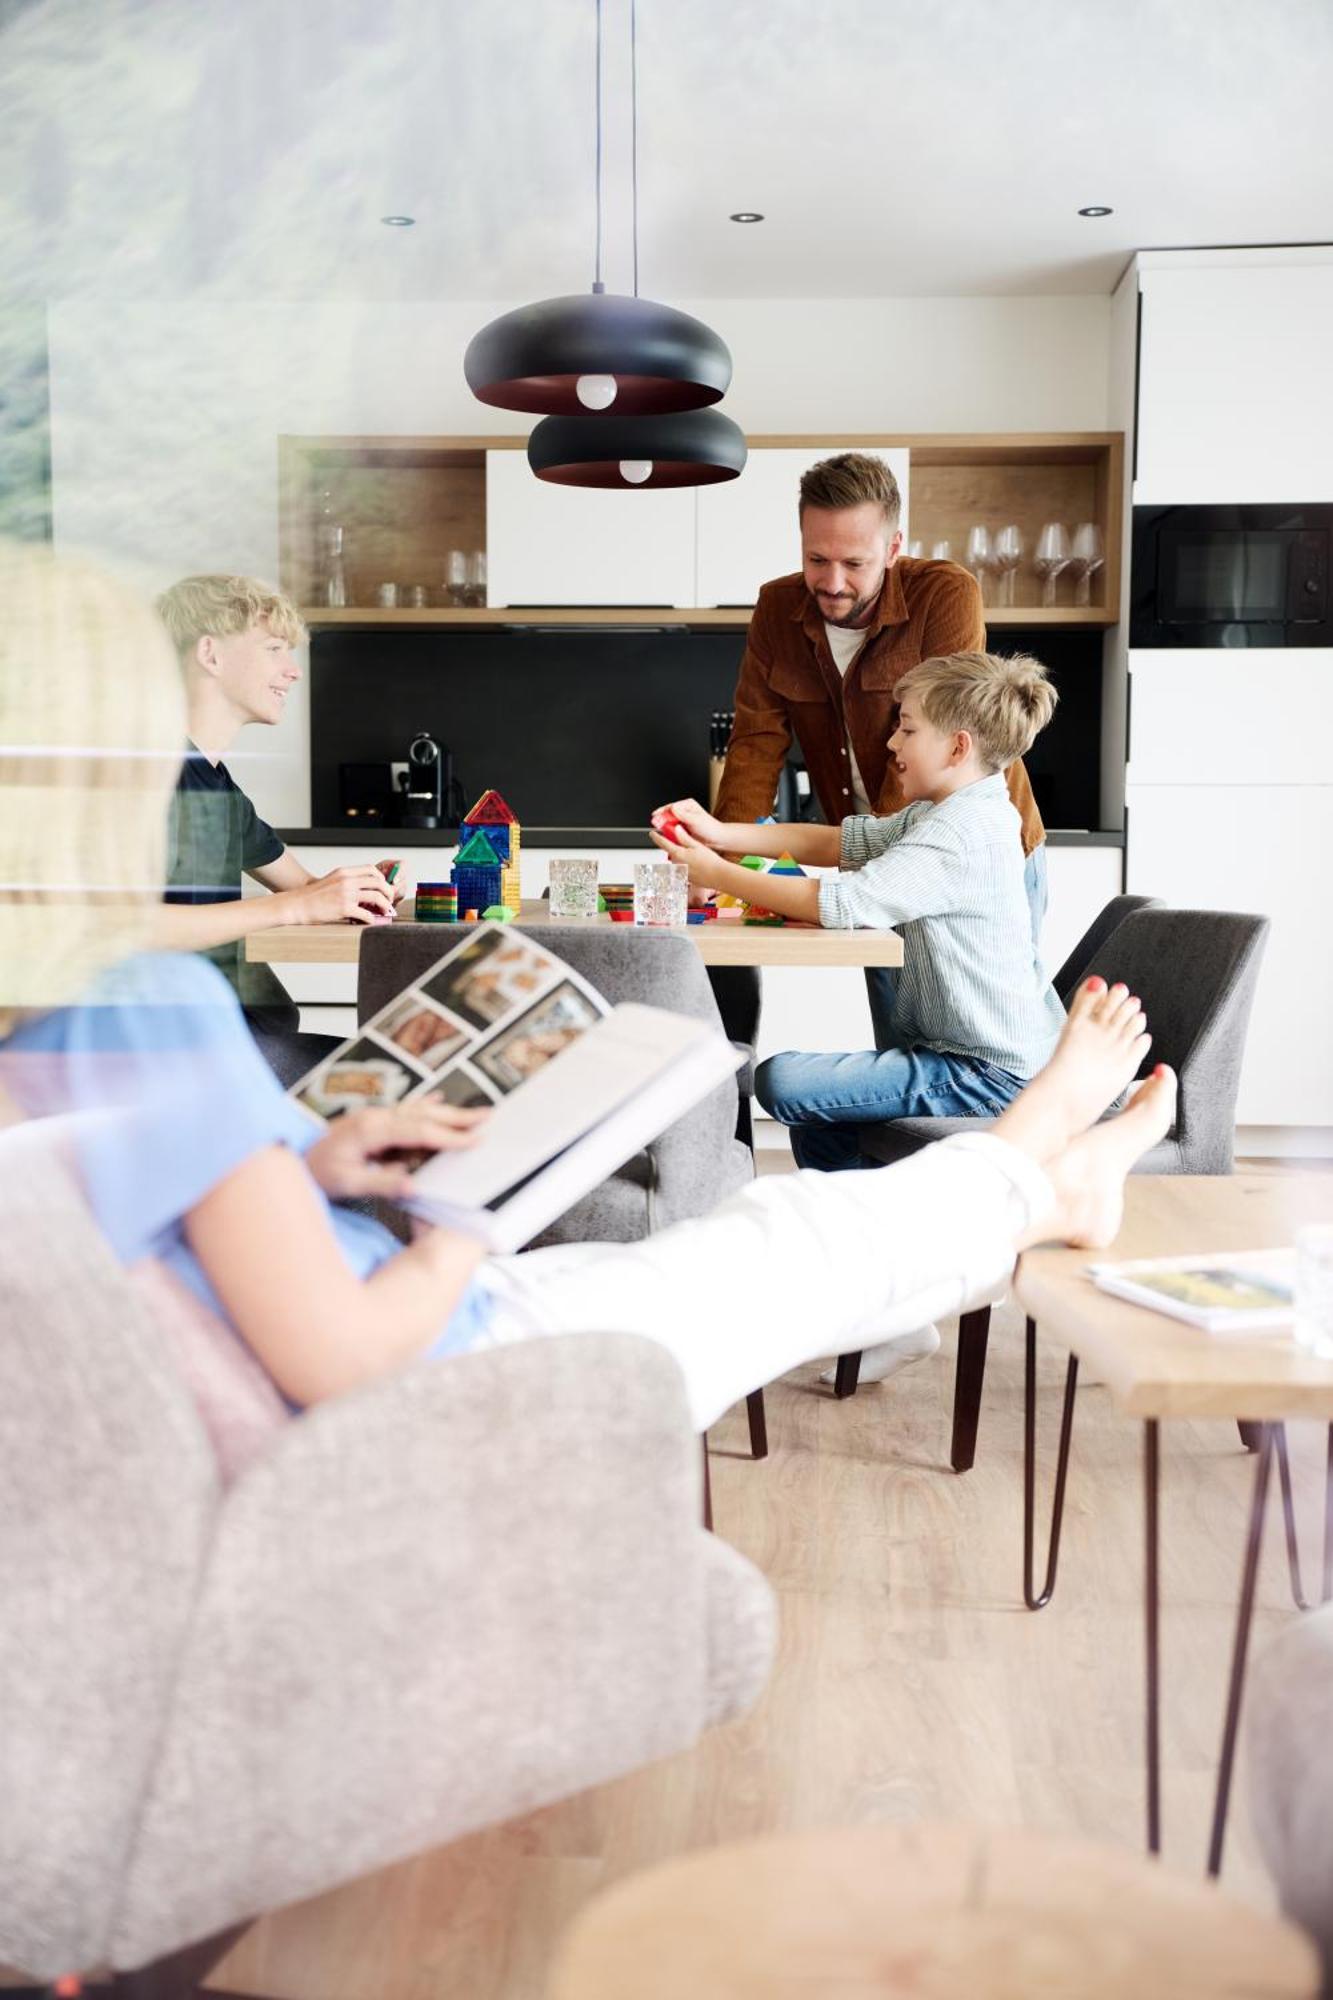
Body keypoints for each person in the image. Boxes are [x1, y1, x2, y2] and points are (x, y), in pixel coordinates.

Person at [0, 542, 1176, 1436]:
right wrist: (471, 1205)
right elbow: (344, 1358)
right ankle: (1040, 1161)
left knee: (740, 1235)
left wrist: (312, 1163)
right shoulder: (156, 1012)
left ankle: (1038, 1167)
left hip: (406, 1301)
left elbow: (166, 1225)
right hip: (452, 1362)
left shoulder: (70, 1032)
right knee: (782, 1239)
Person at [653, 648, 1065, 1384]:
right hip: (977, 1058)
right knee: (823, 1115)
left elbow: (843, 904)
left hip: (985, 1073)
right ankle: (880, 1306)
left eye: (905, 730)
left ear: (956, 746)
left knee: (782, 1083)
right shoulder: (956, 811)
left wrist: (715, 875)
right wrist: (721, 834)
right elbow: (836, 844)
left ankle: (884, 1300)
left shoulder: (960, 834)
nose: (891, 744)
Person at [711, 451, 1047, 1046]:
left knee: (985, 1035)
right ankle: (897, 1141)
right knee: (899, 1030)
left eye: (854, 562)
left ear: (893, 550)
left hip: (965, 845)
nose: (832, 581)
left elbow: (949, 736)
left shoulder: (944, 594)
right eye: (817, 559)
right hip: (872, 849)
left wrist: (886, 872)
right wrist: (723, 855)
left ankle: (992, 1139)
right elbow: (756, 739)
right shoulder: (776, 609)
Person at [153, 573, 404, 1084]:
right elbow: (131, 930)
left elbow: (303, 888)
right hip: (188, 1053)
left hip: (240, 1036)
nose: (292, 672)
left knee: (414, 1067)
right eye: (274, 649)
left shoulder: (215, 783)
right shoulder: (154, 776)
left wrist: (357, 889)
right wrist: (298, 906)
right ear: (210, 654)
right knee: (408, 1079)